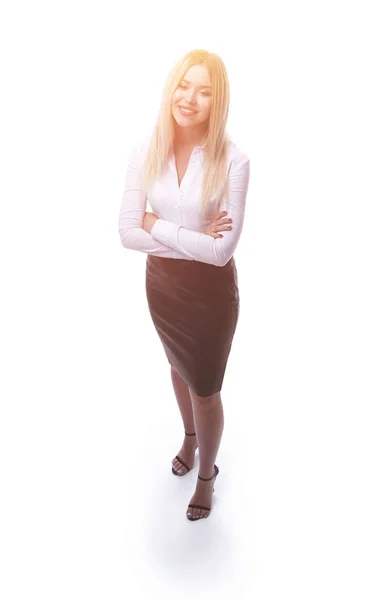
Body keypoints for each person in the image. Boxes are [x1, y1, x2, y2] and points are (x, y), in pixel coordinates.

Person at [118, 49, 250, 522]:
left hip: (210, 297)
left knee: (206, 388)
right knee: (177, 367)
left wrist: (157, 224)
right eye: (183, 85)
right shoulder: (145, 150)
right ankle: (189, 438)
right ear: (171, 88)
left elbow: (221, 253)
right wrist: (191, 237)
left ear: (218, 102)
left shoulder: (234, 161)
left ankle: (207, 475)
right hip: (163, 289)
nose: (190, 98)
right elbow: (126, 234)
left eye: (205, 91)